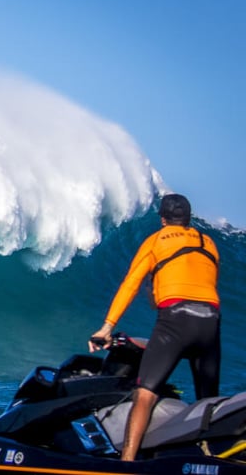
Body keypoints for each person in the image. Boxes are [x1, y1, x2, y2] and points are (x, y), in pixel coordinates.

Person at [88, 193, 221, 461]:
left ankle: (127, 462)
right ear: (189, 218)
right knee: (207, 401)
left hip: (176, 320)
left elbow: (131, 284)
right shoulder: (209, 243)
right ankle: (211, 459)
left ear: (162, 218)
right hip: (211, 321)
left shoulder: (156, 241)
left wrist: (106, 327)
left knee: (145, 395)